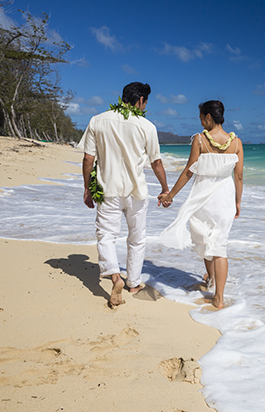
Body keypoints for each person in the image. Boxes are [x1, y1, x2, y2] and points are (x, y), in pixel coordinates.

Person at [79, 82, 170, 308]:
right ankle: (134, 282)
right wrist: (165, 188)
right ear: (140, 100)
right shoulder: (147, 126)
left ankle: (115, 277)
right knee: (136, 238)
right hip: (136, 191)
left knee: (106, 235)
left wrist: (87, 187)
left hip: (107, 189)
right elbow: (156, 162)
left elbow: (88, 159)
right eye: (146, 101)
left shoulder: (97, 120)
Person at [158, 100, 243, 309]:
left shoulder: (200, 140)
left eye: (200, 116)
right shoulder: (237, 143)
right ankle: (219, 297)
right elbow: (239, 177)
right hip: (225, 198)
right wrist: (238, 202)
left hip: (203, 198)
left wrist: (171, 195)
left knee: (206, 238)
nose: (199, 120)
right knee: (220, 245)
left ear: (208, 117)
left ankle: (211, 278)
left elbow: (189, 171)